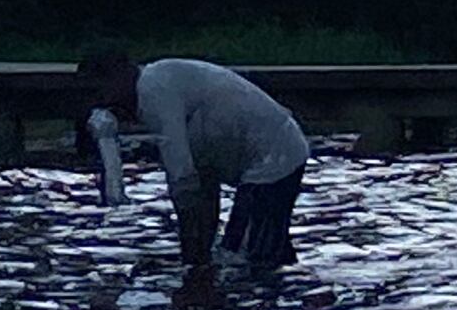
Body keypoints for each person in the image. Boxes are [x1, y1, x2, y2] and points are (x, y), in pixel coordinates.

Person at [78, 46, 308, 281]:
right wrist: (198, 259)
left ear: (118, 76)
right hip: (279, 148)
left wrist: (190, 262)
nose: (100, 101)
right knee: (260, 251)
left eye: (99, 90)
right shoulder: (166, 83)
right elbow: (203, 186)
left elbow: (183, 181)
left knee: (242, 259)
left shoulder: (154, 93)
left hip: (274, 159)